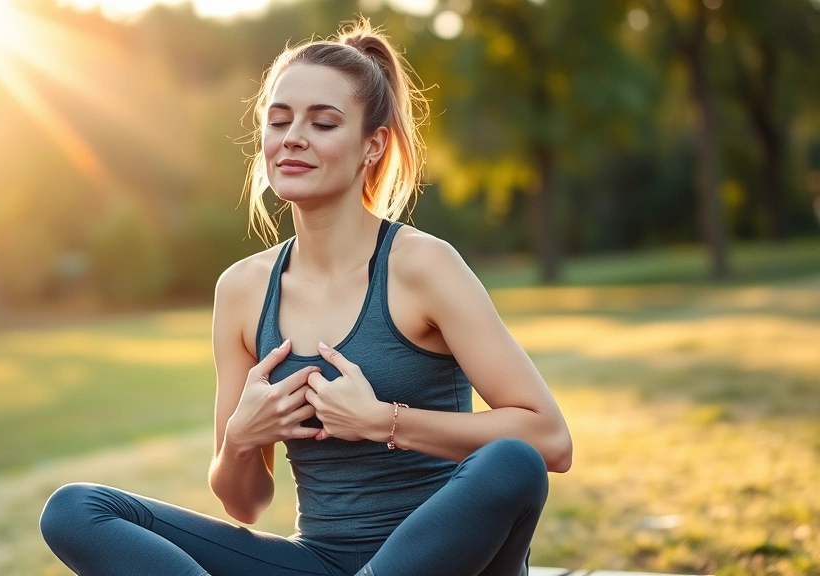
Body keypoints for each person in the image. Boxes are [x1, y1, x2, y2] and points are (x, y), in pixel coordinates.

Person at [40, 19, 572, 576]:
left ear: (373, 146)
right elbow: (244, 503)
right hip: (319, 562)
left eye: (322, 123)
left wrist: (383, 421)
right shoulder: (243, 290)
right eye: (278, 120)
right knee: (76, 510)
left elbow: (550, 440)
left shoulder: (423, 266)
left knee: (513, 461)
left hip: (454, 564)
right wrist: (241, 441)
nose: (292, 136)